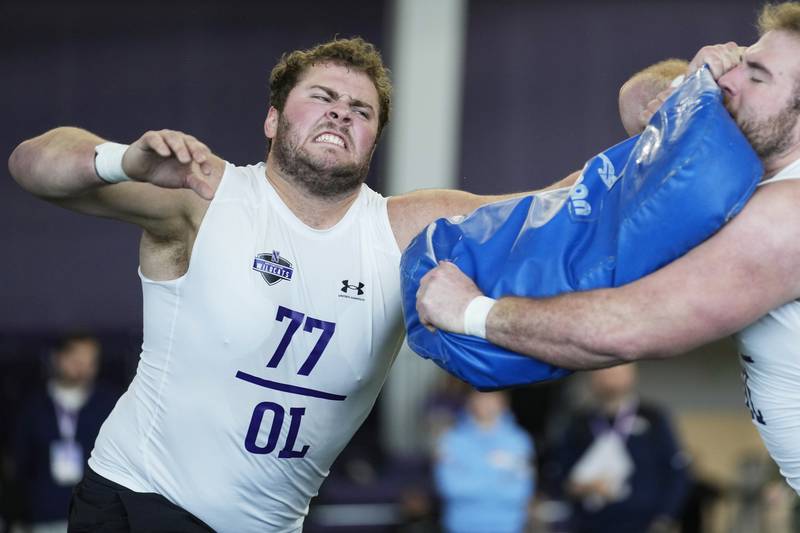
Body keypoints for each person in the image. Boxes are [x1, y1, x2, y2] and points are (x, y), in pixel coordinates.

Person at [8, 38, 576, 531]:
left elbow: (561, 209)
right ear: (273, 120)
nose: (340, 115)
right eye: (321, 99)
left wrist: (662, 131)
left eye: (361, 110)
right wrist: (120, 161)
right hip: (140, 500)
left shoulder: (403, 228)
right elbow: (31, 164)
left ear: (373, 141)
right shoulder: (203, 195)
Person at [416, 1, 800, 495]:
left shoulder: (786, 217)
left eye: (759, 77)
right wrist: (693, 82)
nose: (732, 80)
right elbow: (635, 104)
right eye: (742, 61)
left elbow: (629, 327)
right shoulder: (744, 168)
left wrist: (471, 313)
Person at [544, 364, 688, 533]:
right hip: (588, 524)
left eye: (617, 367)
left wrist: (664, 518)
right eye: (603, 368)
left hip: (641, 525)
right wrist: (576, 488)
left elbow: (676, 472)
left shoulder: (653, 418)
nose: (609, 373)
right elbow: (557, 472)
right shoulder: (578, 422)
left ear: (632, 374)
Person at [11, 334, 119, 533]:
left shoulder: (110, 404)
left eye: (90, 362)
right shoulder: (33, 405)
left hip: (96, 515)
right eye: (76, 359)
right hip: (44, 514)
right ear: (58, 358)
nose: (83, 368)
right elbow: (19, 464)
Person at [434, 389, 534, 533]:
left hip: (508, 525)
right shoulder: (451, 440)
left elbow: (520, 491)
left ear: (503, 403)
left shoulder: (519, 440)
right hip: (461, 525)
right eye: (480, 398)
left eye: (492, 398)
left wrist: (471, 478)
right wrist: (498, 480)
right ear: (470, 402)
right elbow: (450, 487)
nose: (485, 404)